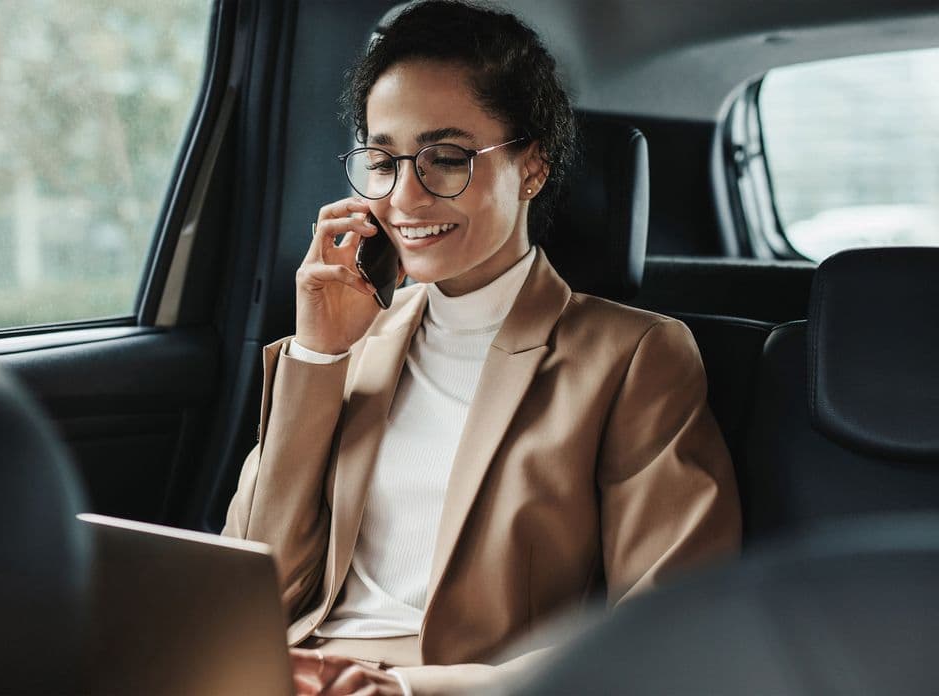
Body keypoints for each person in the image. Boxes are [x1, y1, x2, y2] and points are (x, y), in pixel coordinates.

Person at [222, 2, 741, 694]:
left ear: (531, 169)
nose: (404, 197)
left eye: (445, 159)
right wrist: (319, 357)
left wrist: (408, 691)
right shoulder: (354, 337)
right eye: (382, 161)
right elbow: (252, 589)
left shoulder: (633, 356)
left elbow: (668, 631)